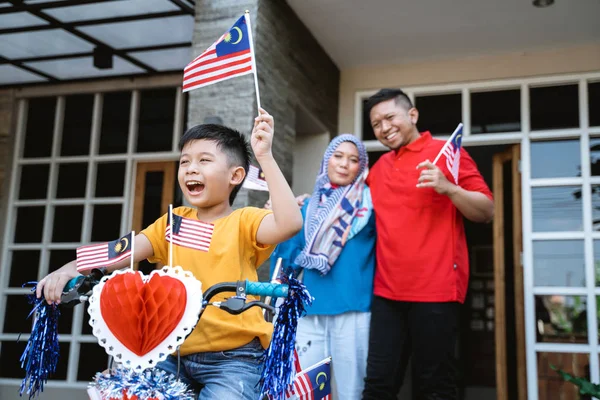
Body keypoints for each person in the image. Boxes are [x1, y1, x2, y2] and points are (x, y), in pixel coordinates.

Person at [36, 108, 303, 400]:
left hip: (234, 359)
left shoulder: (245, 220)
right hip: (169, 351)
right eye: (184, 161)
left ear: (235, 175)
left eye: (204, 160)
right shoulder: (173, 222)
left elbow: (289, 223)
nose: (190, 168)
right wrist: (70, 267)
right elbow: (119, 250)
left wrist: (264, 156)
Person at [361, 89, 494, 400]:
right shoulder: (378, 169)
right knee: (378, 386)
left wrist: (448, 187)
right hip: (386, 292)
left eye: (390, 117)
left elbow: (486, 210)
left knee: (434, 388)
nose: (384, 127)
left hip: (436, 290)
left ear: (413, 115)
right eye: (376, 123)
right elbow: (348, 210)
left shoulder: (446, 153)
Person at [268, 134, 376, 400]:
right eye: (337, 156)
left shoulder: (370, 205)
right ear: (327, 161)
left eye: (353, 160)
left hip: (354, 308)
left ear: (360, 167)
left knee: (352, 391)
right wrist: (276, 219)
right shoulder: (306, 208)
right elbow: (288, 258)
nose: (343, 164)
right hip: (310, 310)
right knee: (306, 390)